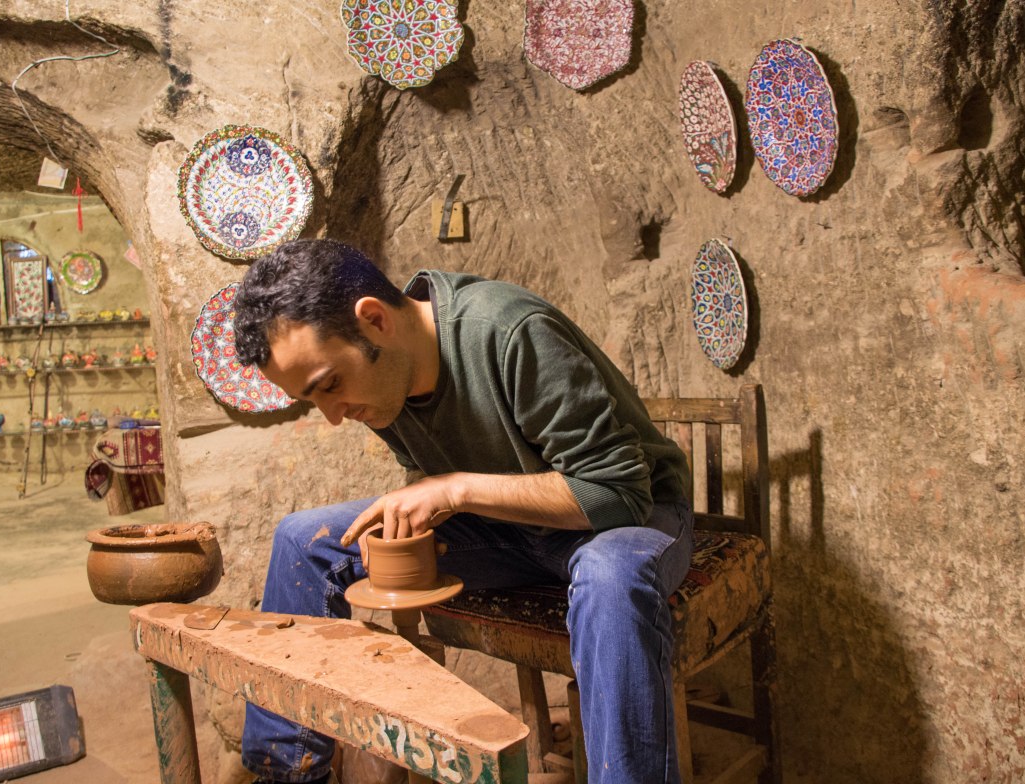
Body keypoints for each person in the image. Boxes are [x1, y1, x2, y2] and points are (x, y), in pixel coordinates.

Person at [233, 238, 694, 784]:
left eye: (330, 385)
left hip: (630, 520)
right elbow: (427, 475)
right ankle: (285, 774)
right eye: (314, 400)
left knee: (609, 574)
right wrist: (416, 513)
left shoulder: (509, 330)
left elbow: (619, 493)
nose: (334, 414)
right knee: (302, 538)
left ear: (374, 320)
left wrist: (451, 491)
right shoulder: (384, 386)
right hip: (514, 530)